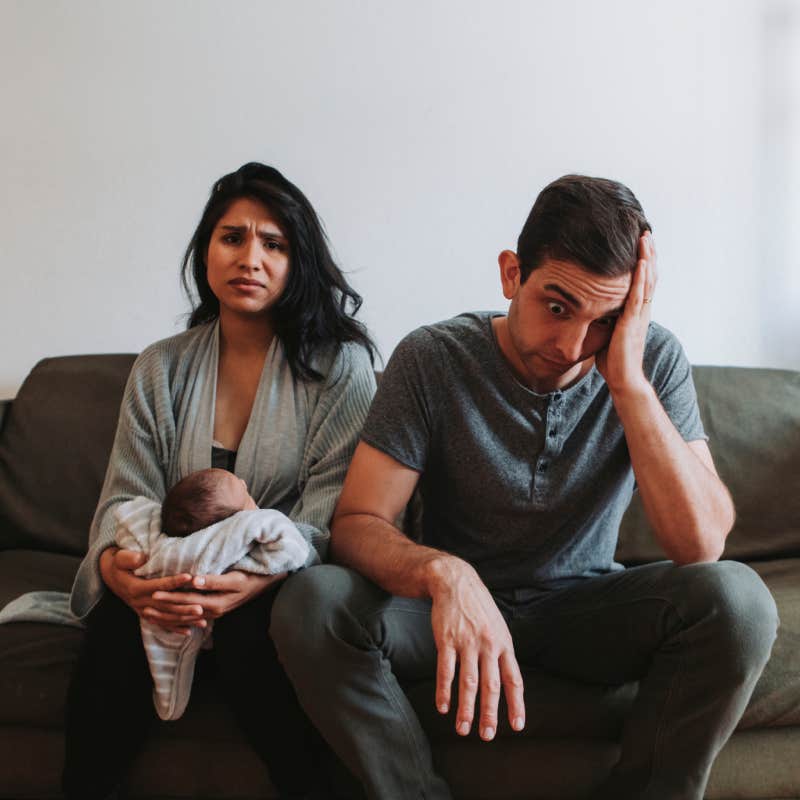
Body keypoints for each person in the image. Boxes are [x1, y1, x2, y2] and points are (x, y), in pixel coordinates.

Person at [271, 175, 779, 800]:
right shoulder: (433, 357)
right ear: (512, 274)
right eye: (558, 305)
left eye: (605, 320)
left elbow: (700, 546)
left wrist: (628, 382)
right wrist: (444, 574)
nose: (571, 346)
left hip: (585, 609)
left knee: (740, 601)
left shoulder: (650, 362)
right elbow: (355, 525)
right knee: (312, 602)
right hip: (443, 614)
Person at [61, 162, 377, 800]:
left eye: (274, 243)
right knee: (114, 638)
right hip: (169, 579)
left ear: (298, 260)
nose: (250, 258)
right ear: (206, 251)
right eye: (232, 238)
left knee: (256, 642)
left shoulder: (339, 369)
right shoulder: (160, 368)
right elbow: (126, 498)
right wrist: (121, 573)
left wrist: (241, 587)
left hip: (276, 589)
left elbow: (328, 521)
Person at [114, 468, 311, 722]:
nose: (243, 481)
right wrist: (111, 567)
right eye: (244, 494)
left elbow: (127, 516)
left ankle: (170, 702)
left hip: (202, 602)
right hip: (172, 607)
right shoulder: (241, 528)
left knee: (233, 636)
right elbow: (293, 547)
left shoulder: (160, 542)